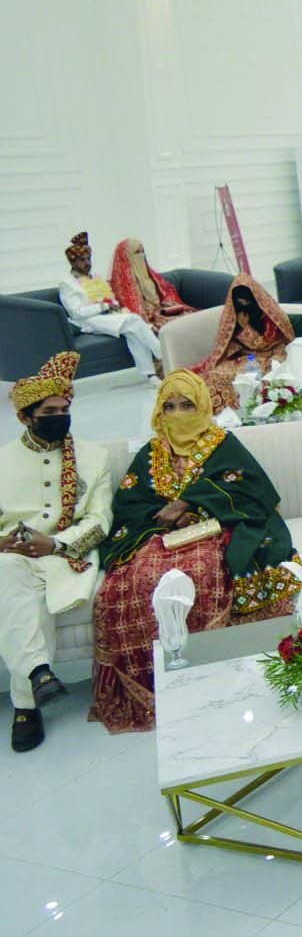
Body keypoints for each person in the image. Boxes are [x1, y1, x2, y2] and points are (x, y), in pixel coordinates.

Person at [90, 371, 302, 732]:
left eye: (187, 405)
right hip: (161, 537)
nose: (177, 413)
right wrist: (170, 517)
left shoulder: (223, 444)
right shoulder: (150, 453)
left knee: (202, 573)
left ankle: (215, 677)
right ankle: (166, 682)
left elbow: (254, 491)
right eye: (169, 406)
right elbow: (130, 503)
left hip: (216, 530)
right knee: (140, 579)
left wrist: (194, 502)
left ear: (203, 406)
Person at [0, 354, 113, 752]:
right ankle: (39, 677)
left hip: (67, 555)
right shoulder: (1, 461)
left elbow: (100, 521)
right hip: (13, 556)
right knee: (9, 575)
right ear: (26, 417)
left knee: (23, 598)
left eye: (65, 410)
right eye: (49, 412)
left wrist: (55, 544)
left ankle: (26, 703)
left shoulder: (93, 456)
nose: (60, 417)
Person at [58, 233, 164, 385]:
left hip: (108, 315)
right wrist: (104, 306)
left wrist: (112, 305)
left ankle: (150, 376)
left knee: (133, 331)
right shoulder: (67, 284)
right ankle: (162, 353)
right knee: (134, 320)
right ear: (72, 263)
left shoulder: (95, 276)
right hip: (88, 321)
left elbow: (109, 297)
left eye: (88, 259)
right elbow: (77, 313)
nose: (87, 263)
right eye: (82, 260)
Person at [193, 274, 295, 411]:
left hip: (272, 355)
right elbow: (227, 344)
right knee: (215, 375)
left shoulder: (270, 316)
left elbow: (265, 344)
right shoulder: (234, 314)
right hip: (246, 357)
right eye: (240, 304)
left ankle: (249, 410)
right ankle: (219, 413)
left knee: (254, 379)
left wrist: (246, 327)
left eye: (248, 303)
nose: (244, 308)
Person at [108, 239, 194, 331]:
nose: (141, 256)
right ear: (125, 257)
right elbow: (135, 313)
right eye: (137, 252)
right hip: (149, 319)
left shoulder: (151, 276)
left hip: (163, 311)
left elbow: (165, 296)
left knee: (194, 319)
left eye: (142, 252)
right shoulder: (121, 285)